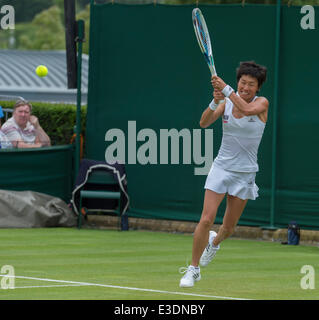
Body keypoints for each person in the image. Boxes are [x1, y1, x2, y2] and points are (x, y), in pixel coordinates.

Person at [179, 61, 268, 288]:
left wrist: (226, 88)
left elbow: (247, 110)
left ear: (258, 88)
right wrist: (216, 100)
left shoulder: (261, 104)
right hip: (221, 168)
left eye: (251, 84)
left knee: (228, 228)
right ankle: (193, 269)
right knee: (206, 219)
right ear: (238, 81)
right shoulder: (227, 101)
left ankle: (215, 243)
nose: (245, 87)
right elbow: (203, 123)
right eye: (242, 82)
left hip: (245, 173)